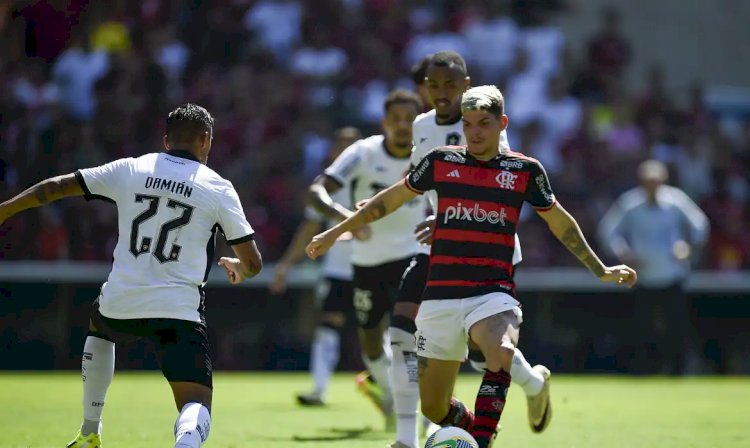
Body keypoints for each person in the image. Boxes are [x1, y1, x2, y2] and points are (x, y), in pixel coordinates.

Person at [307, 85, 637, 448]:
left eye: (484, 123)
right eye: (468, 124)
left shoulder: (524, 170)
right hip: (441, 295)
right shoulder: (441, 161)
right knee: (433, 408)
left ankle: (479, 441)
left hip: (492, 291)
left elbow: (560, 222)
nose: (475, 132)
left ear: (502, 124)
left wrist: (600, 268)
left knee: (501, 352)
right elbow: (388, 201)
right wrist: (335, 231)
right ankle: (470, 428)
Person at [0, 103, 262, 448]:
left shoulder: (132, 168)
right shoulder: (218, 187)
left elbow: (53, 188)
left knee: (100, 327)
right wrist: (239, 268)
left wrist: (5, 210)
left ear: (167, 140)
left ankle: (90, 430)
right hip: (178, 310)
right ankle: (186, 443)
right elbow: (254, 262)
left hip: (121, 301)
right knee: (195, 403)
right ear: (206, 141)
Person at [387, 50, 547, 448]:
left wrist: (444, 220)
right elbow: (424, 184)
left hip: (487, 249)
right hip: (435, 250)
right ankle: (409, 438)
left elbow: (495, 179)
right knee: (401, 330)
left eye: (450, 85)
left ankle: (530, 385)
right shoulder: (421, 126)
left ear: (466, 85)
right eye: (434, 84)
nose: (442, 93)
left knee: (481, 351)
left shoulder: (482, 120)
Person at [307, 89, 427, 429]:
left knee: (409, 332)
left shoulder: (428, 154)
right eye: (396, 119)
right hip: (367, 261)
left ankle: (421, 412)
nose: (403, 126)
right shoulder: (362, 152)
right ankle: (390, 394)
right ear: (384, 122)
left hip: (413, 256)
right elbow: (317, 191)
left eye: (410, 119)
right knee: (371, 345)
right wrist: (347, 217)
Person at [269, 127, 362, 405]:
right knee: (327, 325)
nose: (345, 152)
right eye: (340, 146)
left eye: (351, 147)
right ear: (332, 152)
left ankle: (394, 395)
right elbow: (308, 227)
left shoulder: (379, 177)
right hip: (338, 268)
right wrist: (285, 264)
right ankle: (319, 389)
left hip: (377, 265)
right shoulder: (325, 188)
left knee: (382, 332)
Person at [598, 159, 708, 374]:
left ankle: (677, 371)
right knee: (643, 329)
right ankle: (646, 370)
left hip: (672, 273)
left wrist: (688, 247)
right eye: (648, 181)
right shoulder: (630, 203)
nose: (652, 186)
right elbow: (607, 231)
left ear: (663, 181)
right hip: (642, 276)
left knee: (676, 327)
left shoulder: (676, 201)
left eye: (655, 181)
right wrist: (623, 253)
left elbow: (700, 225)